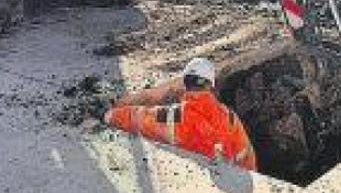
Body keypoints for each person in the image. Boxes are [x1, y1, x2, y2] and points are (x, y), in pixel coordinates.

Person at [104, 57, 257, 171]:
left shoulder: (173, 116)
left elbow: (137, 117)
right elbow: (247, 157)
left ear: (185, 84)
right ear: (211, 84)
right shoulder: (230, 118)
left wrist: (110, 115)